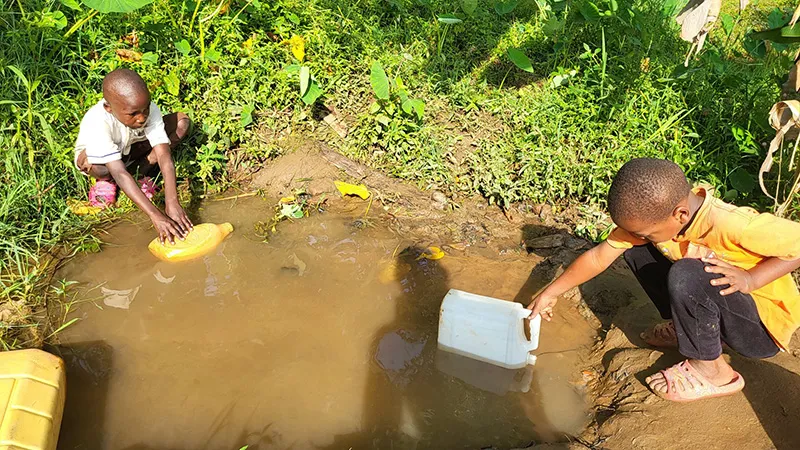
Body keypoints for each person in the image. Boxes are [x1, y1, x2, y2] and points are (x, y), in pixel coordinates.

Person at [527, 158, 800, 402]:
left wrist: (750, 279)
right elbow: (599, 257)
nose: (641, 237)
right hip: (723, 302)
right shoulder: (663, 217)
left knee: (687, 274)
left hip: (760, 329)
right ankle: (691, 327)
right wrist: (552, 292)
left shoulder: (732, 224)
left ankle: (713, 370)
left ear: (680, 214)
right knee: (634, 249)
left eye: (646, 233)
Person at [74, 68, 193, 244]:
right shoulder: (98, 122)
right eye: (133, 113)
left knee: (181, 122)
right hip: (103, 162)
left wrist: (172, 201)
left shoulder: (147, 110)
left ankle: (138, 174)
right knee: (101, 167)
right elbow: (119, 171)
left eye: (145, 109)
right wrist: (156, 215)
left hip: (130, 149)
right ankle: (106, 182)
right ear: (109, 108)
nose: (142, 117)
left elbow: (164, 156)